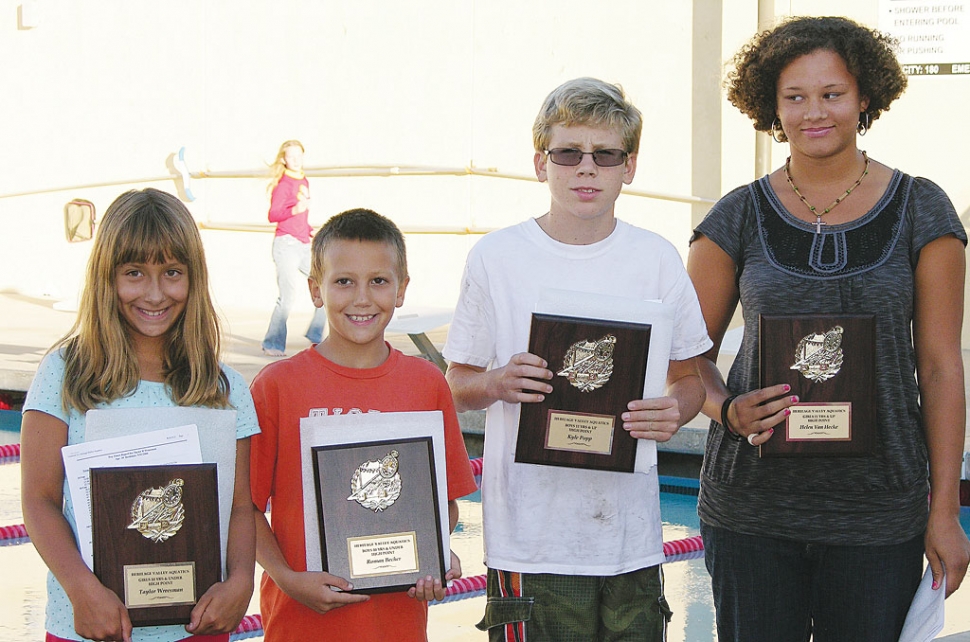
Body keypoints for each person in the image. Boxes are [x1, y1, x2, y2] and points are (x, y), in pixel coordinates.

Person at [686, 16, 970, 641]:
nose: (814, 112)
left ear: (865, 97)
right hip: (752, 510)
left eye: (832, 94)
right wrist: (728, 409)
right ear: (771, 105)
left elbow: (942, 368)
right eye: (795, 96)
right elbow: (688, 361)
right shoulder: (735, 216)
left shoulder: (924, 209)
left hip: (879, 513)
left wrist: (944, 510)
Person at [443, 77, 712, 641]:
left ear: (629, 167)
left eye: (605, 154)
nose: (586, 169)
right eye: (568, 153)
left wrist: (674, 411)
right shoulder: (497, 257)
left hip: (628, 537)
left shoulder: (656, 259)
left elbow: (689, 379)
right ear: (541, 163)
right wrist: (497, 381)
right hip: (529, 537)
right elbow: (456, 384)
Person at [20, 188, 259, 642]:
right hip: (93, 625)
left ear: (194, 278)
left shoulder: (222, 388)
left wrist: (241, 581)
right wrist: (81, 589)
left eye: (172, 273)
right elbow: (38, 500)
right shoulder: (65, 374)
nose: (154, 293)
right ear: (106, 278)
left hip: (197, 627)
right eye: (134, 273)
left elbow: (239, 506)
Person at [249, 208, 477, 641]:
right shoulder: (277, 386)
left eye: (378, 280)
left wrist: (432, 552)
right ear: (316, 290)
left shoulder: (426, 383)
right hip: (300, 625)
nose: (361, 298)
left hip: (396, 624)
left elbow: (443, 503)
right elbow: (247, 510)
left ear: (401, 289)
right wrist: (285, 577)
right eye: (343, 281)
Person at [261, 139, 327, 357]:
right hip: (286, 244)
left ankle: (316, 335)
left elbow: (301, 216)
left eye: (299, 156)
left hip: (303, 244)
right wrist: (295, 209)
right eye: (291, 156)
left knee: (325, 285)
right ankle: (273, 342)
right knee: (287, 296)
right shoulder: (284, 184)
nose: (296, 160)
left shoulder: (304, 180)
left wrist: (309, 229)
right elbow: (274, 215)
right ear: (284, 159)